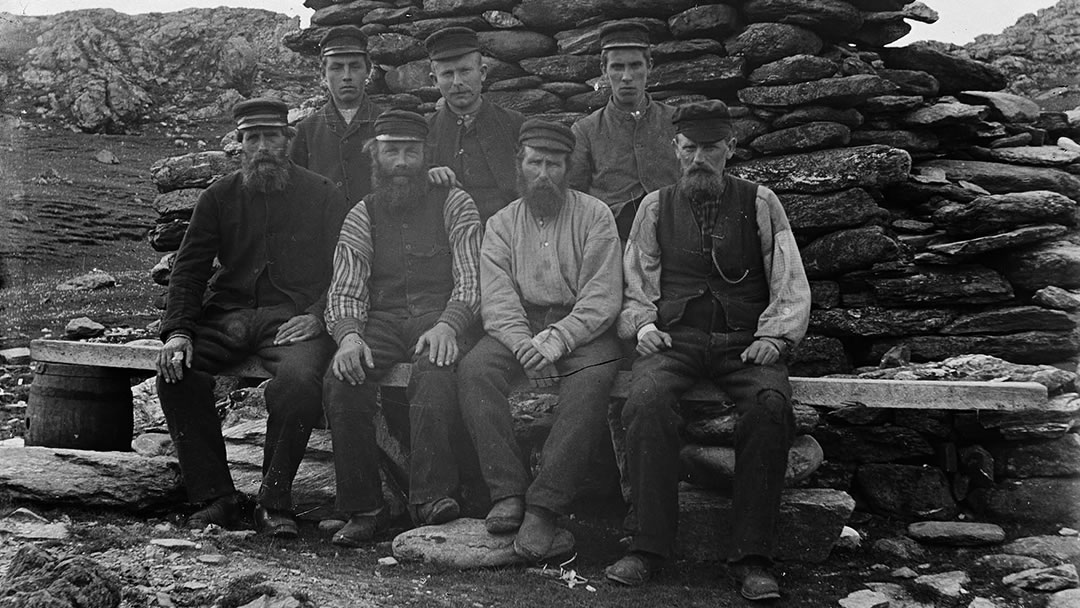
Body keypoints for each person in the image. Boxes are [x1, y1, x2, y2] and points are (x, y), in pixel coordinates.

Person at [606, 100, 811, 601]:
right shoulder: (654, 207)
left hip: (746, 342)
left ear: (730, 149)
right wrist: (642, 327)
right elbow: (635, 282)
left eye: (711, 148)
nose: (700, 158)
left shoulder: (762, 202)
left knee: (769, 408)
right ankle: (647, 548)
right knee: (646, 400)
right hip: (676, 340)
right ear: (676, 149)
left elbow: (789, 278)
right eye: (690, 148)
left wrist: (775, 336)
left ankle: (752, 558)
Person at [156, 98, 346, 538]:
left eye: (272, 136)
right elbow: (189, 269)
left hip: (293, 321)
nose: (262, 146)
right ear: (239, 144)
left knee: (300, 382)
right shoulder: (218, 197)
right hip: (229, 317)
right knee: (176, 373)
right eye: (252, 138)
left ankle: (273, 500)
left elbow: (347, 268)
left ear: (288, 140)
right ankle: (216, 498)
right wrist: (180, 331)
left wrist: (319, 316)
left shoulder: (322, 193)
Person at [457, 119, 623, 562]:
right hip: (520, 327)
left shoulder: (595, 215)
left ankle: (546, 506)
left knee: (591, 382)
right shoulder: (501, 224)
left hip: (584, 329)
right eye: (535, 163)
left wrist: (554, 341)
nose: (544, 173)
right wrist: (522, 343)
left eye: (554, 163)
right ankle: (507, 492)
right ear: (520, 166)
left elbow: (602, 298)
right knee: (475, 370)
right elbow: (496, 299)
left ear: (568, 167)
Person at [322, 109, 483, 546]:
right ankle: (364, 509)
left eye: (411, 151)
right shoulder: (362, 213)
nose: (401, 161)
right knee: (343, 379)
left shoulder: (455, 203)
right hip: (382, 322)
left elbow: (472, 278)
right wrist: (350, 336)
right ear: (375, 155)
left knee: (434, 369)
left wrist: (451, 324)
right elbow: (346, 287)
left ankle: (431, 499)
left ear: (425, 154)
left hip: (440, 317)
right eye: (391, 150)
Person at [568, 21, 680, 241]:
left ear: (649, 66)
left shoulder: (675, 121)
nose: (627, 76)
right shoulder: (585, 130)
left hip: (674, 236)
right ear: (604, 70)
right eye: (617, 67)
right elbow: (576, 200)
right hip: (614, 239)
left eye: (635, 65)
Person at [423, 26, 525, 223]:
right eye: (447, 74)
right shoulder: (425, 132)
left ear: (483, 73)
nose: (457, 82)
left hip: (508, 236)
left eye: (465, 71)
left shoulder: (514, 123)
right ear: (434, 80)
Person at [290, 25, 381, 208]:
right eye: (337, 68)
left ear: (368, 71)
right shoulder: (306, 131)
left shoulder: (386, 123)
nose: (347, 76)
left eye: (355, 67)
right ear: (323, 74)